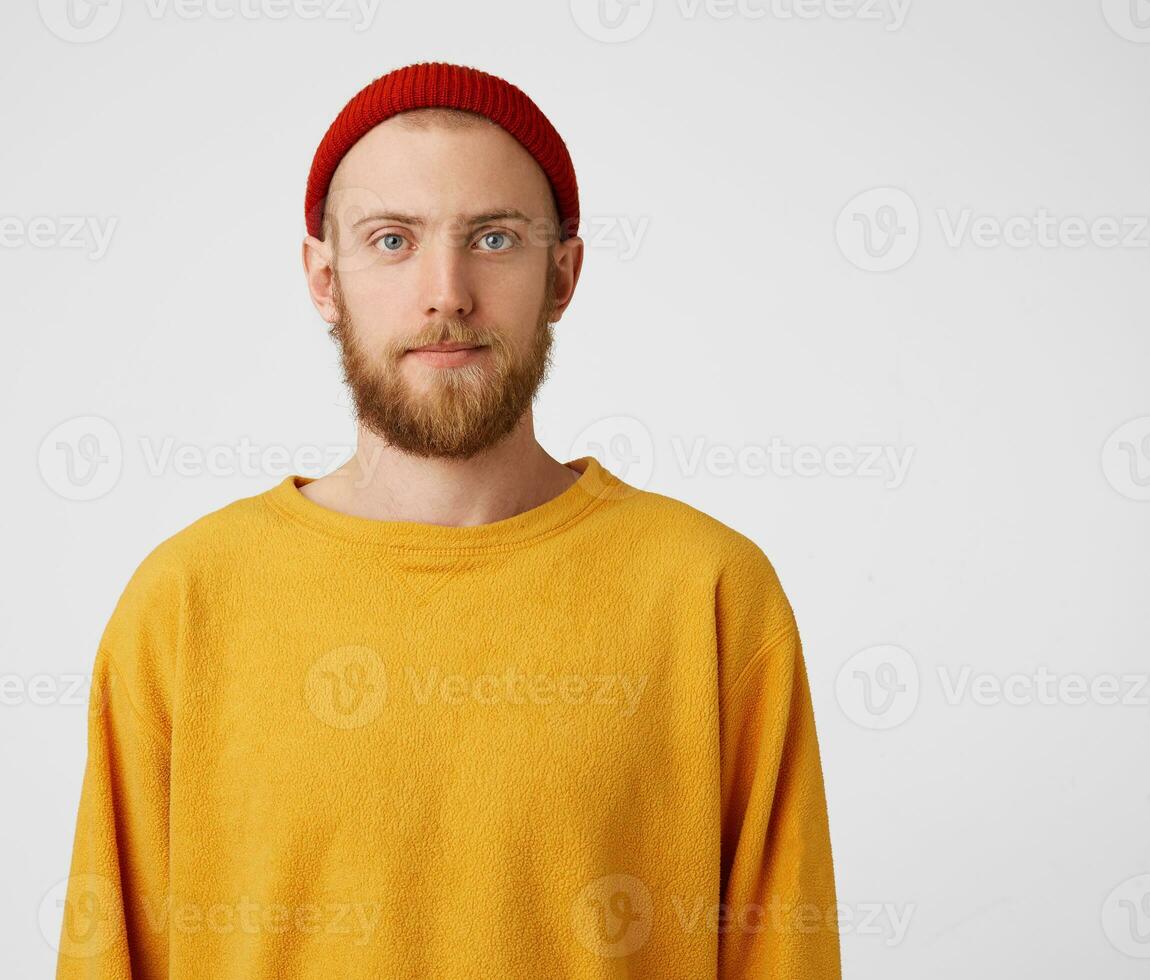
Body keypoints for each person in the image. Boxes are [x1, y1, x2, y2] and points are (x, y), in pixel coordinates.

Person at [54, 60, 842, 979]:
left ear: (564, 274)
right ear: (323, 277)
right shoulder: (184, 603)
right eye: (392, 240)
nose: (446, 293)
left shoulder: (708, 592)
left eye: (496, 239)